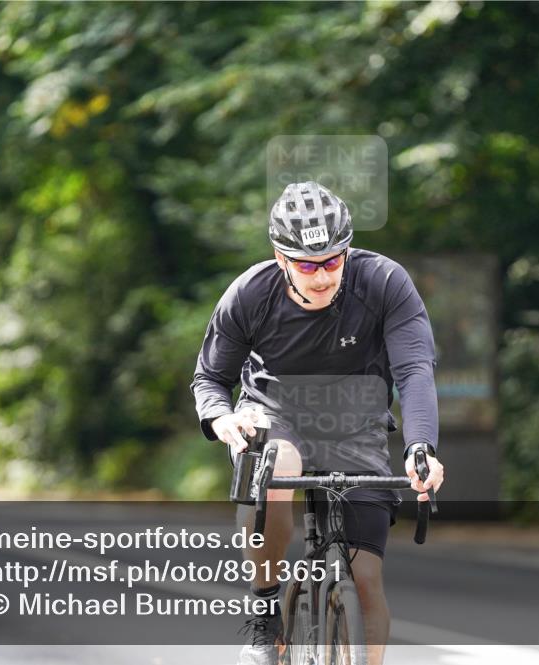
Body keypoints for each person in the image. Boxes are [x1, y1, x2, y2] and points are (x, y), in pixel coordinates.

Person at [191, 181, 445, 665]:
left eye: (332, 260)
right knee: (277, 460)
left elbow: (414, 369)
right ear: (280, 256)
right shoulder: (250, 293)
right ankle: (266, 613)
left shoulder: (384, 282)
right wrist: (222, 417)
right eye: (307, 265)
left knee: (366, 580)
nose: (322, 276)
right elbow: (209, 377)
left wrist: (421, 447)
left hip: (357, 424)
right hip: (274, 414)